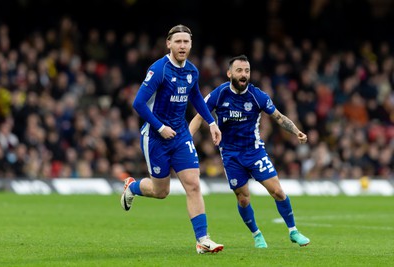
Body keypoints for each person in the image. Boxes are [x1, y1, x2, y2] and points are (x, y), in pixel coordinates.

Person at [120, 24, 224, 254]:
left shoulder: (192, 71)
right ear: (168, 44)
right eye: (178, 41)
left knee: (194, 184)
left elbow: (196, 97)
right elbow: (138, 103)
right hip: (156, 137)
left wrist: (212, 123)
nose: (182, 46)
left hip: (181, 136)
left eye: (186, 42)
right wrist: (159, 127)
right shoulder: (159, 70)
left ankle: (203, 240)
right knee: (161, 192)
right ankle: (133, 186)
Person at [189, 54, 310, 248]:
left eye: (247, 71)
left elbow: (279, 117)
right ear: (229, 73)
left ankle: (293, 231)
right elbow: (199, 117)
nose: (244, 74)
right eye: (239, 70)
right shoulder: (219, 94)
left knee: (278, 191)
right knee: (243, 198)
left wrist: (296, 131)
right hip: (230, 154)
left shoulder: (257, 95)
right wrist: (187, 140)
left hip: (254, 152)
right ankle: (257, 234)